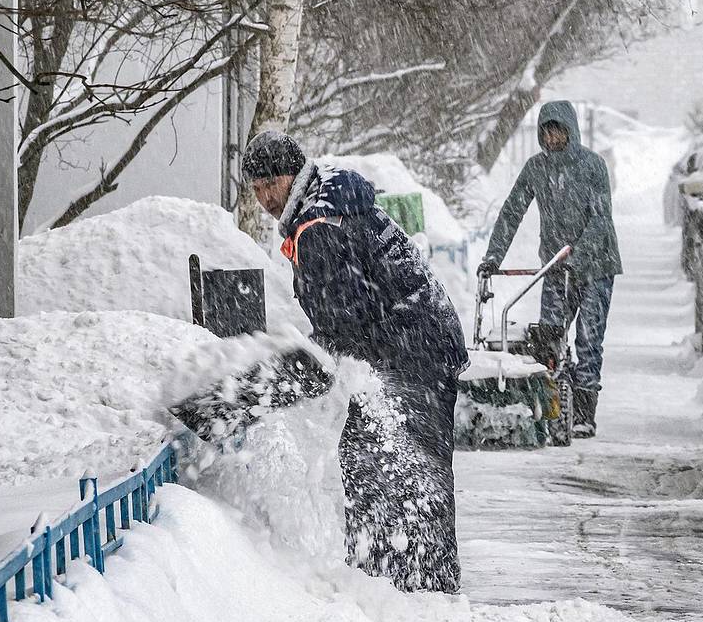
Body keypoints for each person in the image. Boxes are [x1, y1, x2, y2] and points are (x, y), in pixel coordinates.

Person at [243, 130, 468, 593]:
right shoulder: (323, 202)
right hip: (414, 342)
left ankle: (409, 586)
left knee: (392, 467)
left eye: (272, 182)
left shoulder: (318, 226)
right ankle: (400, 579)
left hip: (411, 351)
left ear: (293, 175)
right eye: (256, 187)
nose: (266, 196)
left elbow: (341, 328)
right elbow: (345, 321)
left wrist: (266, 387)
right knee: (382, 463)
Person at [478, 101, 621, 438]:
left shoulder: (592, 166)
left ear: (570, 131)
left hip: (596, 265)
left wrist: (577, 253)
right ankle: (553, 403)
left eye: (559, 130)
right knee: (549, 338)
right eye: (547, 131)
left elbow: (601, 219)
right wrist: (493, 257)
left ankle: (585, 414)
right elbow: (512, 212)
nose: (553, 137)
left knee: (588, 339)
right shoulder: (536, 169)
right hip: (556, 268)